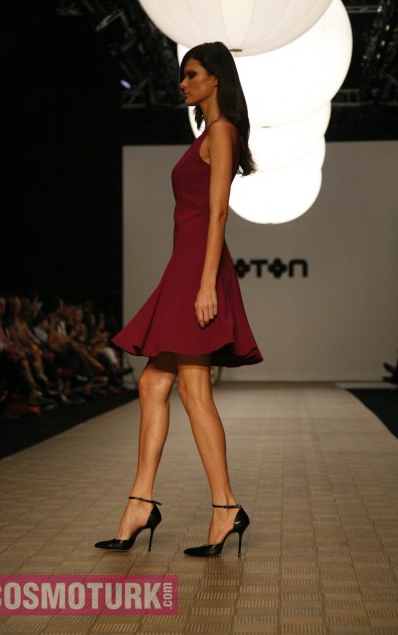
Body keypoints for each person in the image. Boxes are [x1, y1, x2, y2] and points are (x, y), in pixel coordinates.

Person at [95, 42, 262, 558]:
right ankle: (140, 504)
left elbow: (218, 213)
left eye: (191, 74)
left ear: (216, 79)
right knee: (153, 384)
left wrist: (207, 283)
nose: (182, 83)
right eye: (182, 75)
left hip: (196, 271)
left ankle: (226, 507)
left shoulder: (222, 131)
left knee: (193, 389)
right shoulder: (208, 134)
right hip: (185, 266)